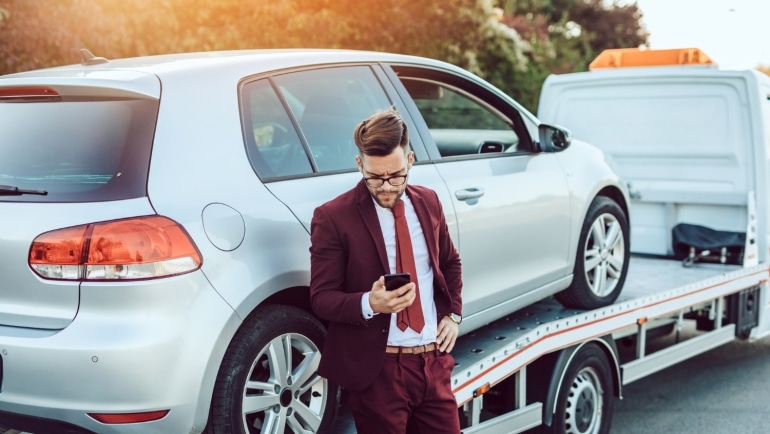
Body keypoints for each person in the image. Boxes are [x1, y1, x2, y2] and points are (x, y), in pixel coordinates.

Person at [309, 108, 463, 433]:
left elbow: (450, 262)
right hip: (379, 373)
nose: (386, 187)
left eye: (395, 176)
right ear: (359, 164)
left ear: (410, 160)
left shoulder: (430, 201)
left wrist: (454, 316)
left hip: (432, 363)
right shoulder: (332, 217)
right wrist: (370, 303)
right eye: (375, 178)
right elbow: (321, 298)